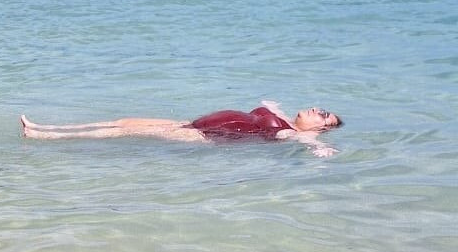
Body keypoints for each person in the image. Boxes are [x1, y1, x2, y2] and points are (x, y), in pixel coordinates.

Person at [19, 101, 343, 156]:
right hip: (192, 122)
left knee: (125, 132)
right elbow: (275, 109)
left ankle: (42, 137)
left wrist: (320, 147)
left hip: (202, 136)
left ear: (319, 128)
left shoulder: (290, 133)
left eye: (323, 115)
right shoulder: (282, 117)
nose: (318, 109)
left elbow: (306, 142)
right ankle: (44, 125)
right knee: (124, 121)